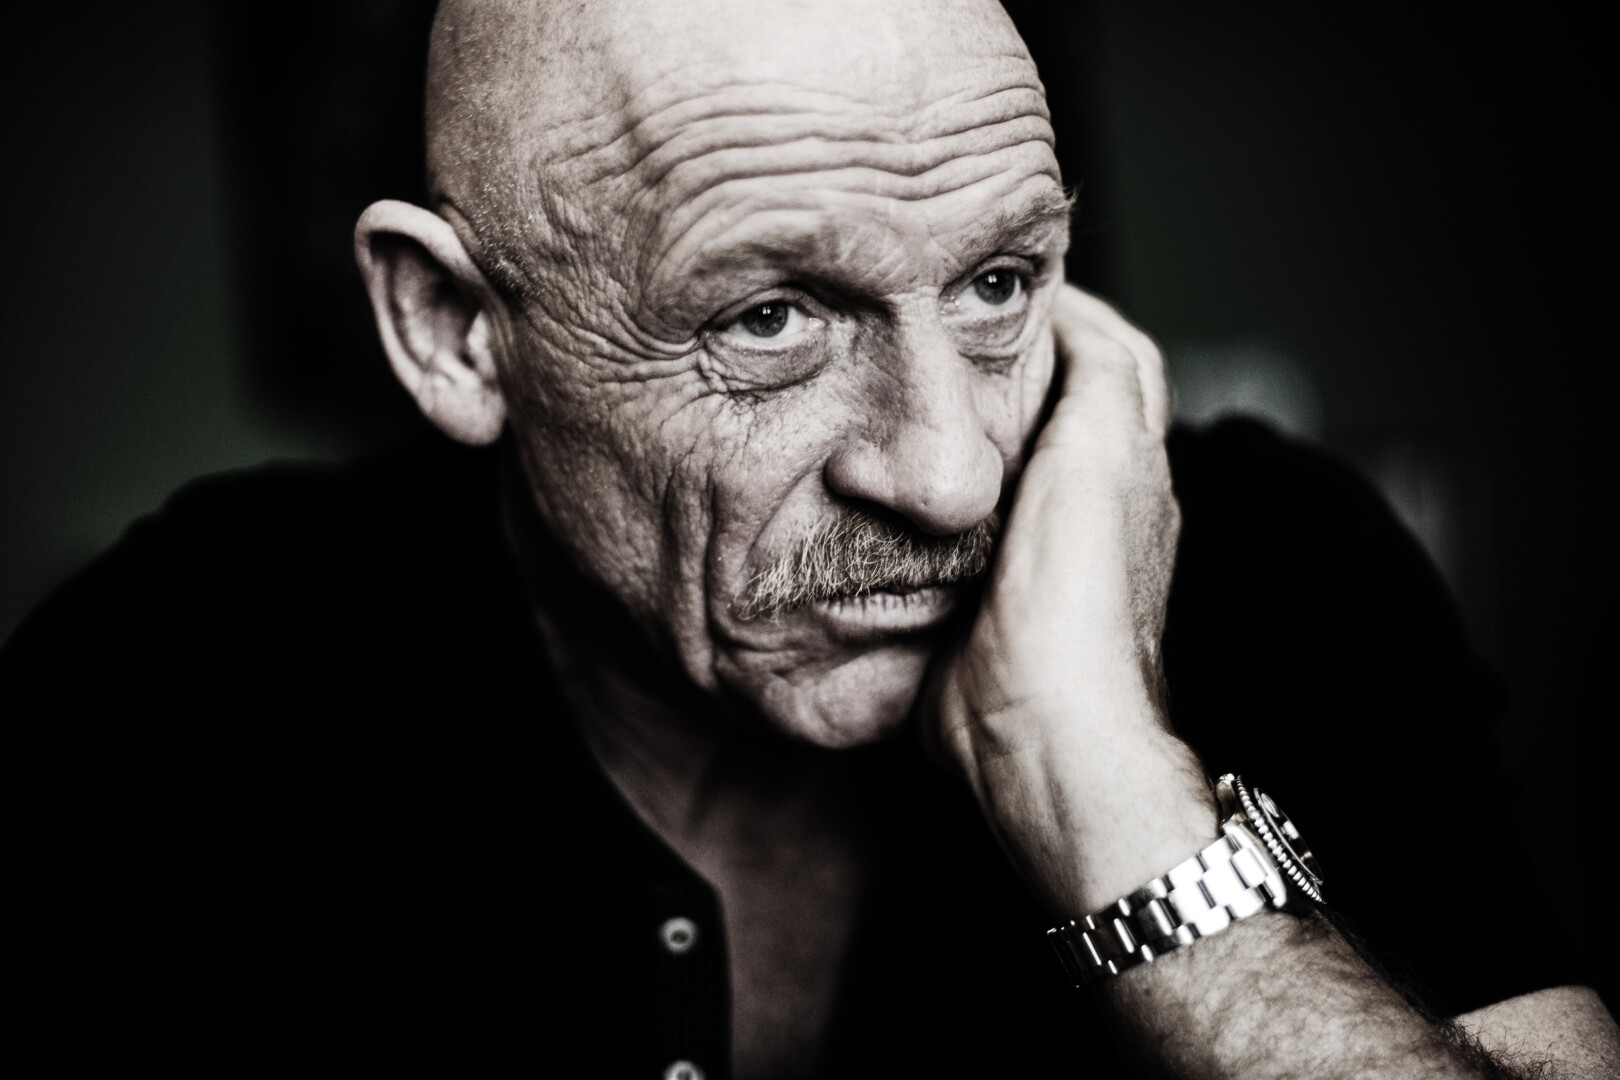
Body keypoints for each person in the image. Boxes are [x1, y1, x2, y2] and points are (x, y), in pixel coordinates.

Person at [3, 0, 1616, 1075]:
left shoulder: (1285, 569)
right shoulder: (161, 699)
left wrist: (1106, 790)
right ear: (455, 329)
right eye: (771, 316)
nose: (954, 479)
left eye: (997, 284)